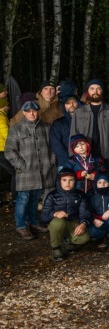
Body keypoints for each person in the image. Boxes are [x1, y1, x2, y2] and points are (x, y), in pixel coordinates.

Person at [5, 101, 55, 240]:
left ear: (38, 111)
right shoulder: (16, 129)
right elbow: (9, 151)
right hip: (26, 172)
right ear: (24, 112)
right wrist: (22, 165)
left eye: (34, 110)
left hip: (43, 171)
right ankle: (21, 226)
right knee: (23, 199)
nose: (32, 113)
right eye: (29, 111)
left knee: (34, 199)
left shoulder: (46, 127)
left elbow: (53, 147)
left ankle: (33, 221)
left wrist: (50, 162)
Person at [69, 79, 109, 183]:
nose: (95, 91)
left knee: (105, 183)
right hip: (84, 155)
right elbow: (73, 134)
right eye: (92, 88)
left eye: (98, 89)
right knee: (86, 186)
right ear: (88, 91)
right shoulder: (79, 112)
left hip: (106, 154)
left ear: (102, 91)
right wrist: (72, 156)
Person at [41, 168, 91, 261]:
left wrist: (83, 224)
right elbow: (43, 217)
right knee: (58, 223)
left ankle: (69, 241)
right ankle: (56, 248)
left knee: (84, 238)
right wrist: (54, 214)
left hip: (73, 222)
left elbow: (85, 212)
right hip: (58, 223)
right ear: (59, 181)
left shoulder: (80, 195)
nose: (67, 183)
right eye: (64, 180)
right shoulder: (52, 195)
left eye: (71, 180)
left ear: (75, 181)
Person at [50, 95, 80, 171]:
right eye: (68, 103)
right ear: (64, 106)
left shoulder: (84, 121)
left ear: (78, 103)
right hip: (63, 163)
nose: (72, 105)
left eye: (74, 102)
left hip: (82, 162)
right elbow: (56, 144)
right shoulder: (58, 123)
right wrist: (69, 159)